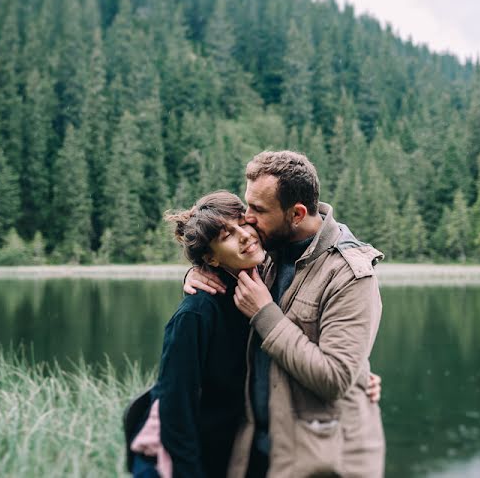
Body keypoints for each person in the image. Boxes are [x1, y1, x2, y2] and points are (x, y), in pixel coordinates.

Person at [127, 189, 381, 478]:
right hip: (178, 463)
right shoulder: (196, 314)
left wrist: (358, 376)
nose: (245, 235)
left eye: (242, 223)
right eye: (226, 236)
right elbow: (174, 413)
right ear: (210, 259)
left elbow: (299, 346)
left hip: (231, 454)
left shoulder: (265, 283)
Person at [186, 151, 385, 478]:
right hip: (259, 453)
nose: (247, 218)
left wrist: (265, 313)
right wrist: (198, 272)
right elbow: (220, 253)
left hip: (326, 463)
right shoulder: (265, 252)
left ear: (297, 214)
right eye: (248, 205)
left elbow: (335, 378)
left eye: (258, 210)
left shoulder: (351, 275)